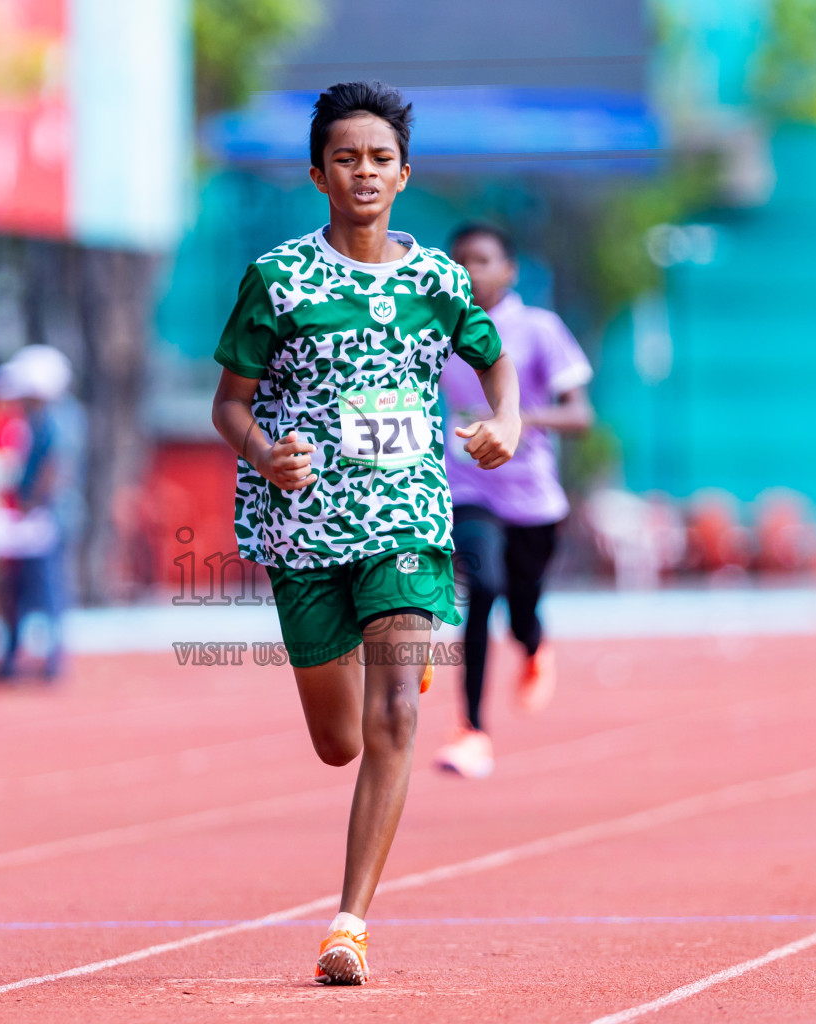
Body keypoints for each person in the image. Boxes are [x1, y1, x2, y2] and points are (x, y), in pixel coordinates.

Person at [210, 81, 520, 985]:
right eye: (347, 158)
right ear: (318, 174)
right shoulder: (279, 280)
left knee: (396, 713)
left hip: (406, 517)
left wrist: (505, 423)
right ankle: (381, 658)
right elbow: (228, 405)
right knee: (338, 742)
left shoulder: (437, 281)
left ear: (405, 174)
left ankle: (349, 923)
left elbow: (496, 368)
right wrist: (266, 452)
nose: (364, 173)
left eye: (380, 158)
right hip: (302, 529)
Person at [433, 224, 592, 780]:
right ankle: (471, 731)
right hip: (467, 488)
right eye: (461, 261)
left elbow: (580, 415)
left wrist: (517, 419)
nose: (471, 271)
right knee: (483, 590)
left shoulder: (539, 330)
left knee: (522, 604)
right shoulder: (436, 329)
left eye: (483, 260)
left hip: (532, 498)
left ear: (510, 270)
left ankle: (533, 644)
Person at [0, 345, 77, 683]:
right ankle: (19, 655)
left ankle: (50, 659)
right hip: (42, 514)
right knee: (25, 588)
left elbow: (55, 466)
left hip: (46, 516)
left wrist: (33, 502)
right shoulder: (48, 417)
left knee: (47, 588)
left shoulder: (54, 419)